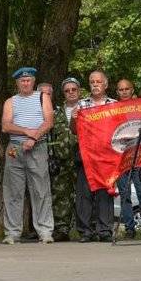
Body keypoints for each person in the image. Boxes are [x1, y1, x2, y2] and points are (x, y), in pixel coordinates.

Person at [0, 67, 56, 244]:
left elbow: (49, 122)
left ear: (33, 81)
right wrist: (26, 132)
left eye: (29, 80)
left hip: (37, 147)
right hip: (15, 149)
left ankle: (45, 231)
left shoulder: (43, 97)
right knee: (13, 191)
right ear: (17, 83)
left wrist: (34, 137)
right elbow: (5, 125)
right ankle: (12, 233)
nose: (25, 83)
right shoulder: (10, 101)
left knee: (41, 189)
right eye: (22, 80)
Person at [74, 70, 116, 241]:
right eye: (92, 82)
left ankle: (105, 230)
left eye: (99, 81)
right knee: (84, 193)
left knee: (105, 193)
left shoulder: (114, 105)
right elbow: (73, 130)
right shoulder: (82, 105)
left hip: (106, 156)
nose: (95, 84)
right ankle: (85, 231)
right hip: (86, 155)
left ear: (105, 84)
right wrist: (73, 118)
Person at [115, 79, 141, 239]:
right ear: (117, 92)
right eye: (120, 89)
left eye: (127, 89)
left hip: (139, 157)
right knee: (125, 194)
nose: (124, 92)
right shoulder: (113, 109)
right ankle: (129, 228)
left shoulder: (140, 106)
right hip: (121, 157)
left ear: (132, 90)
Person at [49, 77, 83, 242]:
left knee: (84, 194)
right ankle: (62, 229)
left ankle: (86, 228)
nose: (70, 93)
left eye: (73, 90)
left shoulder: (87, 108)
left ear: (79, 91)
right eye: (67, 91)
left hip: (83, 158)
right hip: (62, 159)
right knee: (61, 195)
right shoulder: (56, 112)